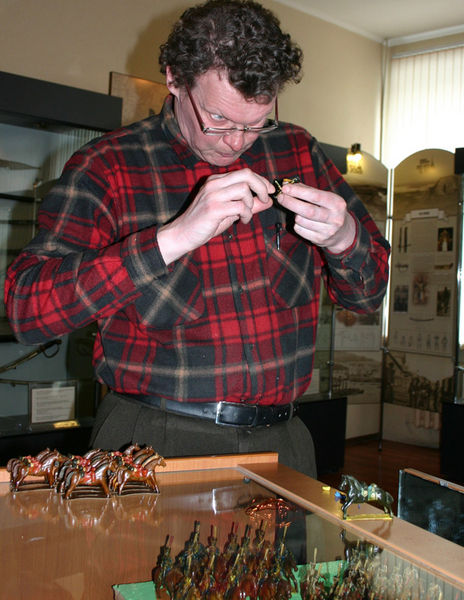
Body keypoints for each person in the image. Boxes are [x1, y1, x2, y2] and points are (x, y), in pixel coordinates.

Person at [4, 0, 390, 479]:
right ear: (174, 79)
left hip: (285, 441)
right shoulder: (107, 166)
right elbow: (27, 310)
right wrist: (170, 239)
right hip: (153, 442)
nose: (237, 142)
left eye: (257, 122)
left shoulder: (297, 151)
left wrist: (346, 238)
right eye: (218, 119)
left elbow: (368, 296)